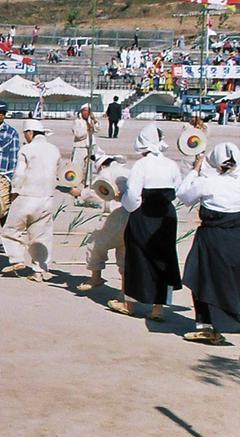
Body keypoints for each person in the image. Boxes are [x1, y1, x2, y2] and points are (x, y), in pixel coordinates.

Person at [109, 124, 182, 321]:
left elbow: (133, 196)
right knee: (163, 258)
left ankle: (129, 303)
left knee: (137, 257)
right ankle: (158, 309)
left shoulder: (141, 165)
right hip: (166, 216)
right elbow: (177, 188)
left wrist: (124, 202)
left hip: (144, 215)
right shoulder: (171, 164)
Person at [176, 143, 240, 344]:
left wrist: (195, 169)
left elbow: (184, 195)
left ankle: (207, 327)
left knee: (203, 278)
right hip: (236, 236)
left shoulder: (208, 183)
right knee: (233, 280)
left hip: (212, 238)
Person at [1, 119, 62, 281]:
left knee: (11, 229)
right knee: (41, 235)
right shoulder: (54, 150)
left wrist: (13, 192)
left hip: (27, 196)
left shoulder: (27, 149)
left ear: (30, 133)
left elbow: (19, 174)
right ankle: (39, 270)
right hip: (47, 198)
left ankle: (16, 259)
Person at [77, 155, 130, 293]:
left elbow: (95, 192)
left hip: (114, 215)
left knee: (94, 244)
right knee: (125, 251)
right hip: (131, 214)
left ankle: (96, 277)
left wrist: (79, 193)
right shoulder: (127, 171)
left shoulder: (105, 173)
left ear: (102, 166)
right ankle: (125, 290)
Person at [71, 103, 99, 183]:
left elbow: (97, 129)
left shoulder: (91, 121)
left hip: (91, 146)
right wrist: (87, 129)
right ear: (82, 111)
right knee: (77, 165)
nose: (87, 113)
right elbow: (78, 134)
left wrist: (94, 121)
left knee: (90, 165)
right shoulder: (77, 122)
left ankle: (87, 181)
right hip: (80, 147)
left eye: (89, 111)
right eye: (86, 111)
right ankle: (74, 181)